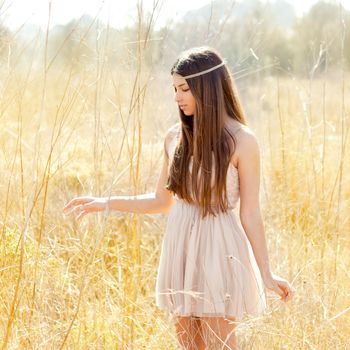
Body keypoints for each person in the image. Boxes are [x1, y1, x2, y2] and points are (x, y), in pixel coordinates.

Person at [63, 46, 296, 349]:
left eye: (184, 88)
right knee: (188, 344)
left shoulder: (242, 140)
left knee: (219, 345)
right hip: (180, 245)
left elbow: (250, 212)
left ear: (209, 87)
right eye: (175, 88)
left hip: (219, 247)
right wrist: (107, 202)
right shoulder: (175, 137)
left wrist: (266, 271)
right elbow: (162, 201)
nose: (177, 97)